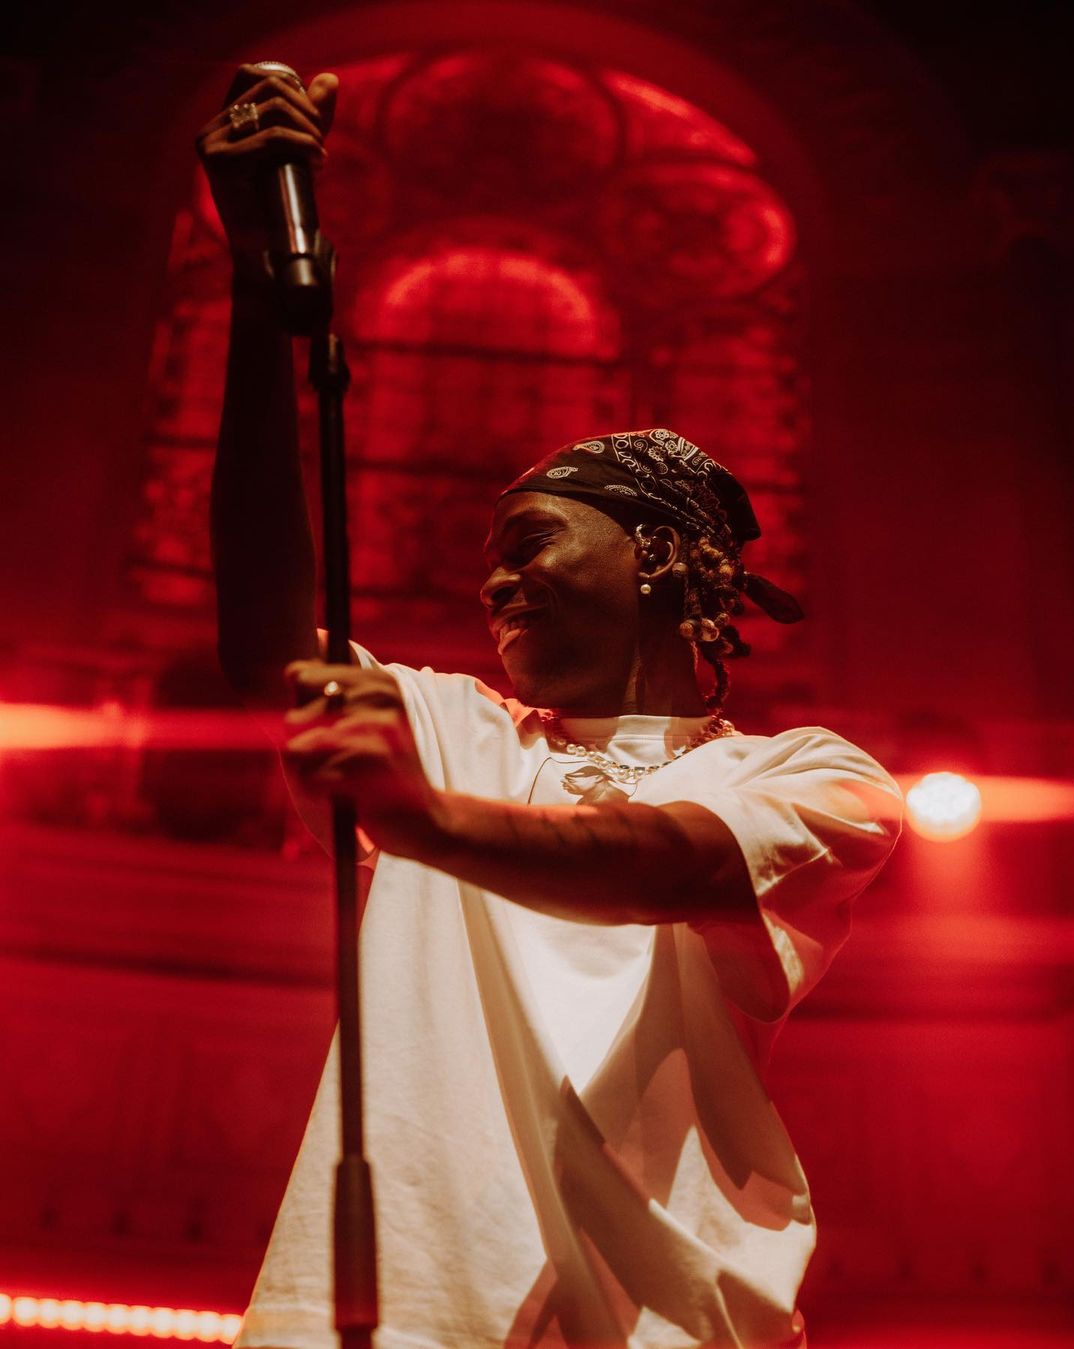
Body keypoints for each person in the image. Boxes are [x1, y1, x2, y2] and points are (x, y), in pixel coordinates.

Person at [198, 66, 902, 1349]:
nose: (491, 579)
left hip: (673, 1325)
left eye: (528, 541)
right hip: (394, 1314)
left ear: (659, 557)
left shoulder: (812, 775)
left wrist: (422, 822)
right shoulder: (455, 728)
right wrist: (258, 284)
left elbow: (662, 860)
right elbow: (264, 641)